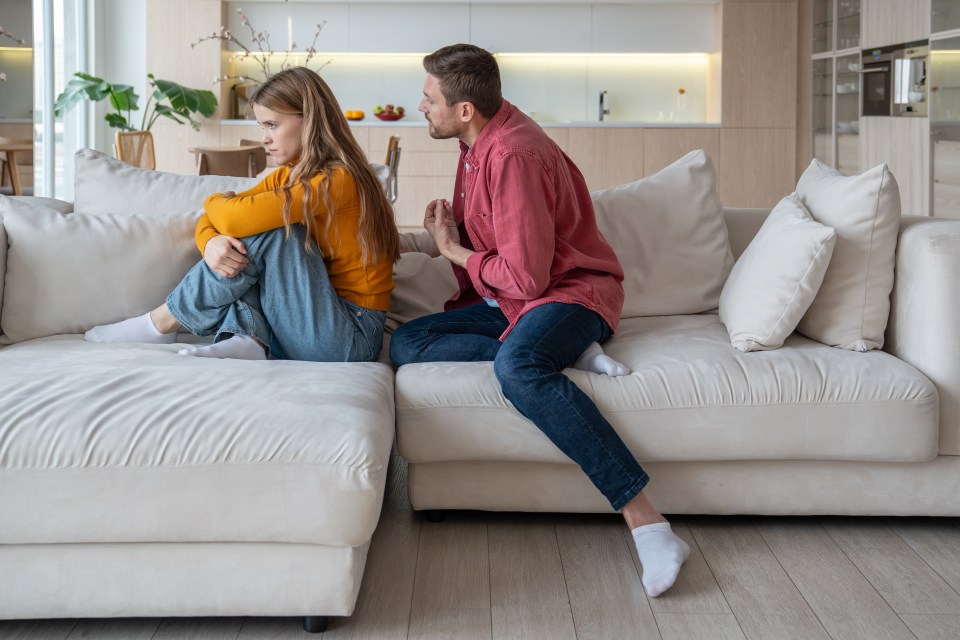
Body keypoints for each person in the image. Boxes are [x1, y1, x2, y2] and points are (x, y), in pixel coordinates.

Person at [389, 44, 689, 598]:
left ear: (464, 109)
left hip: (569, 296)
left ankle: (648, 523)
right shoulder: (474, 145)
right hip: (512, 305)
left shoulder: (513, 156)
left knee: (520, 368)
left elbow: (528, 280)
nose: (420, 106)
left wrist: (453, 251)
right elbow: (501, 255)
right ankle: (564, 352)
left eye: (428, 98)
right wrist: (448, 234)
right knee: (408, 342)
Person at [86, 66, 399, 362]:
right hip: (315, 320)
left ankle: (161, 322)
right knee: (248, 238)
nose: (264, 138)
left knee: (275, 232)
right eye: (262, 126)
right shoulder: (288, 178)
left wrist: (215, 202)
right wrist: (211, 243)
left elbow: (233, 217)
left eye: (272, 125)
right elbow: (214, 221)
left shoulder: (339, 180)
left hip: (350, 335)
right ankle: (247, 339)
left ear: (310, 121)